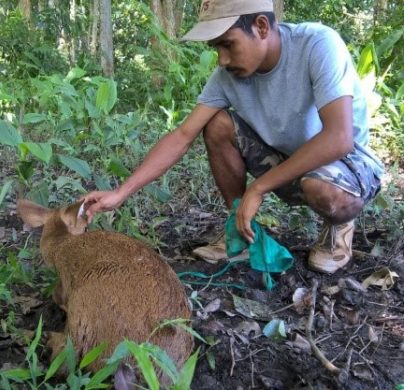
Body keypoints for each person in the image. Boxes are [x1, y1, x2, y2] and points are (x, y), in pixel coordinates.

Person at [83, 0, 384, 274]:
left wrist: (257, 189)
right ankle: (240, 230)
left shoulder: (317, 44)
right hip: (290, 166)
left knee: (322, 188)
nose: (223, 59)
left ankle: (338, 227)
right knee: (216, 124)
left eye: (228, 44)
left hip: (346, 169)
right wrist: (121, 192)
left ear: (261, 27)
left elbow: (339, 138)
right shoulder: (228, 76)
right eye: (217, 48)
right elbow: (183, 135)